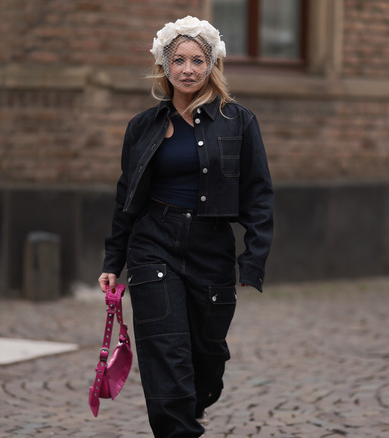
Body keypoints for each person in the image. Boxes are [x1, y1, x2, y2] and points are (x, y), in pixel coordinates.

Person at [98, 15, 274, 438]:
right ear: (164, 66)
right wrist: (114, 258)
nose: (189, 69)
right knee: (165, 350)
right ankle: (178, 430)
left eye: (198, 60)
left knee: (207, 356)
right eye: (179, 60)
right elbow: (127, 196)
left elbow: (258, 194)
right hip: (153, 243)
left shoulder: (239, 122)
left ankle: (192, 407)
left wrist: (253, 259)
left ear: (212, 65)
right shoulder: (142, 127)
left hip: (211, 248)